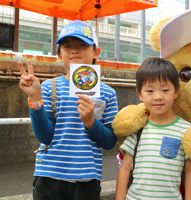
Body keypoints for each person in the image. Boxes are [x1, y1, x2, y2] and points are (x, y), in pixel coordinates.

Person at [18, 20, 118, 200]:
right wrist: (35, 99)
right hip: (49, 175)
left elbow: (110, 142)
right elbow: (44, 136)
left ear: (96, 52)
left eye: (82, 45)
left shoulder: (108, 93)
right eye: (67, 46)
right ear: (59, 54)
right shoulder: (49, 87)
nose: (74, 50)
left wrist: (91, 122)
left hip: (87, 179)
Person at [115, 57, 191, 200]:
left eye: (165, 90)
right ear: (140, 94)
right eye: (150, 91)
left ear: (176, 92)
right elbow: (125, 168)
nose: (158, 96)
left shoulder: (187, 130)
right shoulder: (138, 128)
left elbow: (190, 171)